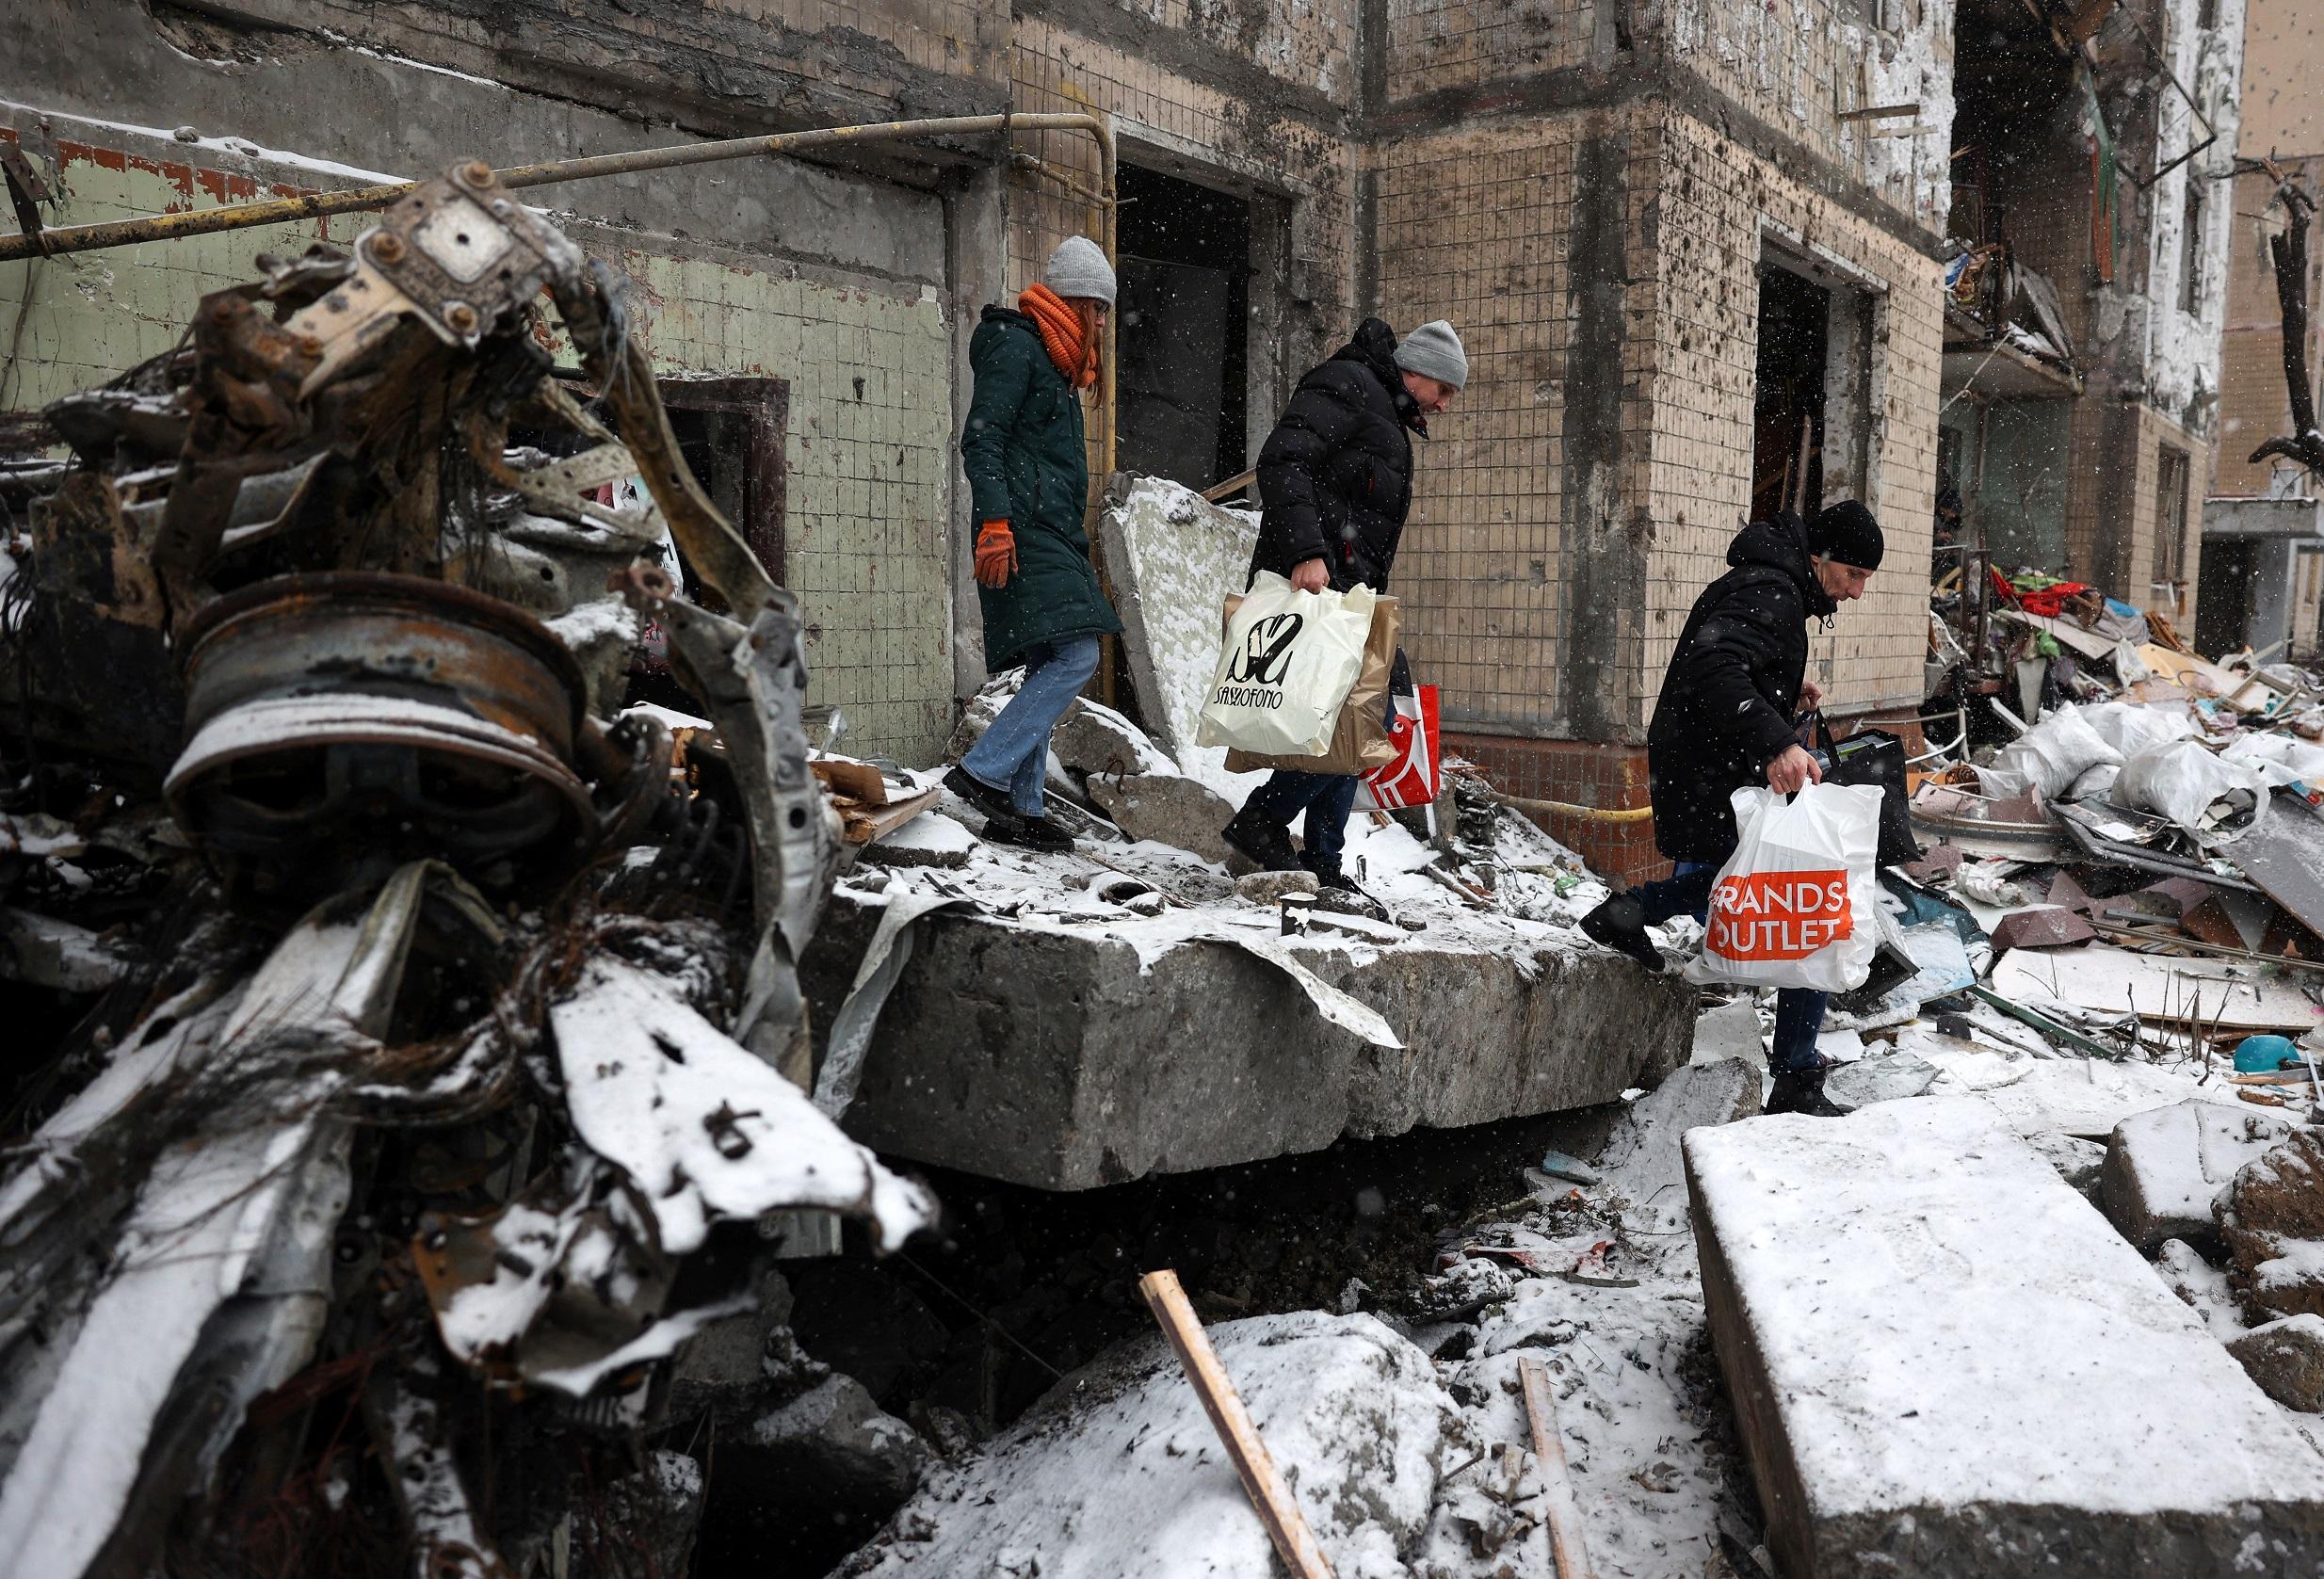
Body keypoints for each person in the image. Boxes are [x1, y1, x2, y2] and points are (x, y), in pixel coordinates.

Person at [1579, 499, 1885, 1118]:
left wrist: (1780, 688)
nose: (1854, 593)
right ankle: (1797, 1075)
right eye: (1852, 575)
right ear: (1820, 556)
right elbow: (1715, 666)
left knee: (1752, 886)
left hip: (1703, 760)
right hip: (1711, 765)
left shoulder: (1769, 582)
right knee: (1801, 893)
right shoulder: (1774, 592)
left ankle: (1629, 909)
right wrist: (1776, 739)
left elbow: (1731, 664)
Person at [1219, 317, 1464, 894]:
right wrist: (1307, 551)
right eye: (1445, 391)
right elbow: (1282, 462)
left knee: (1356, 720)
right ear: (1418, 372)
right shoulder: (1349, 385)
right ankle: (1264, 819)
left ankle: (1324, 858)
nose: (1445, 407)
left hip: (1354, 595)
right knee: (1356, 719)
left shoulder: (1383, 411)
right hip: (1317, 586)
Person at [944, 235, 1124, 851]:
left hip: (1049, 530)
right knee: (1078, 656)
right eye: (1097, 308)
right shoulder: (1019, 348)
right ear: (1073, 300)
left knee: (1052, 660)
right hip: (1020, 529)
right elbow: (981, 439)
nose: (1103, 321)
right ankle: (981, 772)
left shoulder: (1058, 361)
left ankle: (1018, 808)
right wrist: (995, 520)